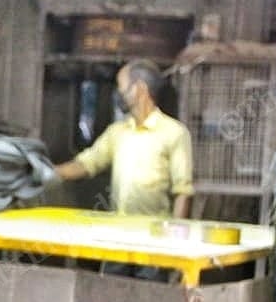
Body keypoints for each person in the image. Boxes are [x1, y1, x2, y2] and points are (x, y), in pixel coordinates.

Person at [55, 59, 194, 219]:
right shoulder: (117, 132)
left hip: (154, 234)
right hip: (119, 230)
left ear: (139, 89)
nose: (119, 92)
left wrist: (174, 236)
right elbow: (86, 164)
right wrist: (49, 173)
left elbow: (183, 192)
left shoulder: (174, 133)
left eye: (121, 87)